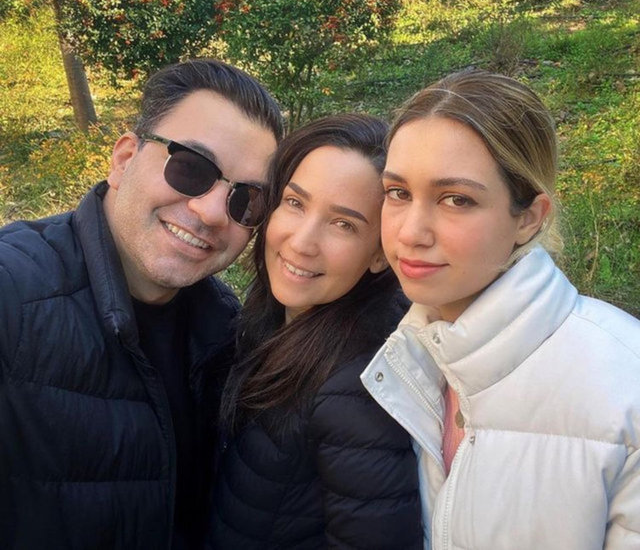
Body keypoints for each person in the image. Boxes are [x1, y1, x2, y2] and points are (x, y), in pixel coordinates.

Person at [0, 58, 283, 549]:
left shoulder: (226, 330)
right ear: (124, 159)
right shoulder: (13, 294)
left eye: (247, 200)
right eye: (191, 168)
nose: (212, 213)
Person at [361, 69, 640, 549]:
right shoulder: (401, 356)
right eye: (398, 193)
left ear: (528, 218)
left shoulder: (624, 385)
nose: (410, 232)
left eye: (456, 199)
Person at [208, 114, 423, 549]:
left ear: (379, 255)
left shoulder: (359, 391)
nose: (302, 242)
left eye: (344, 224)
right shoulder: (270, 319)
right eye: (295, 203)